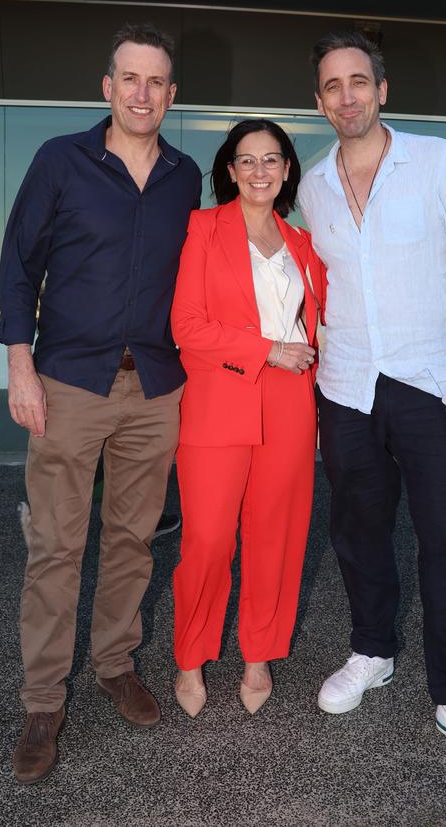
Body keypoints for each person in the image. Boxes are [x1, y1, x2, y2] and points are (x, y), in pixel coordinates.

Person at [298, 30, 446, 783]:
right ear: (319, 101)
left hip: (435, 388)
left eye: (358, 81)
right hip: (346, 388)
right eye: (332, 86)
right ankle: (373, 649)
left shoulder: (436, 161)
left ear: (382, 89)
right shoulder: (311, 186)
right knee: (358, 531)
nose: (347, 96)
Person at [0, 22, 202, 784]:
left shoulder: (186, 176)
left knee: (133, 538)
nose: (142, 93)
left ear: (171, 95)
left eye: (157, 82)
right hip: (69, 383)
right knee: (56, 544)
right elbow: (18, 266)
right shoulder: (62, 161)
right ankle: (44, 701)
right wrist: (21, 365)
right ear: (107, 87)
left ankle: (115, 661)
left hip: (154, 385)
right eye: (130, 78)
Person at [170, 119, 323, 716]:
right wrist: (268, 350)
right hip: (217, 402)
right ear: (229, 171)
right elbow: (187, 325)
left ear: (287, 170)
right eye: (247, 160)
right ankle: (191, 655)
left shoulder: (305, 245)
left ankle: (258, 653)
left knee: (276, 538)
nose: (259, 171)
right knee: (207, 539)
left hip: (289, 406)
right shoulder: (203, 229)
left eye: (271, 160)